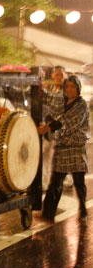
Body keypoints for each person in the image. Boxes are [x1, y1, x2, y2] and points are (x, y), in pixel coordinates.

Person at [38, 75, 90, 222]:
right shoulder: (62, 101)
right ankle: (48, 213)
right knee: (56, 182)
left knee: (79, 182)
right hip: (62, 148)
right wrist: (39, 85)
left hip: (76, 148)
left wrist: (48, 127)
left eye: (72, 86)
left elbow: (68, 121)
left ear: (78, 88)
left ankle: (83, 209)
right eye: (67, 87)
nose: (69, 89)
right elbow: (51, 100)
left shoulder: (82, 105)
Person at [41, 66, 73, 191]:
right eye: (56, 74)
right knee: (46, 155)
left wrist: (44, 92)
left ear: (65, 76)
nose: (58, 77)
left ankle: (67, 178)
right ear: (53, 76)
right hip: (50, 127)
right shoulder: (52, 89)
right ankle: (44, 182)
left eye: (61, 75)